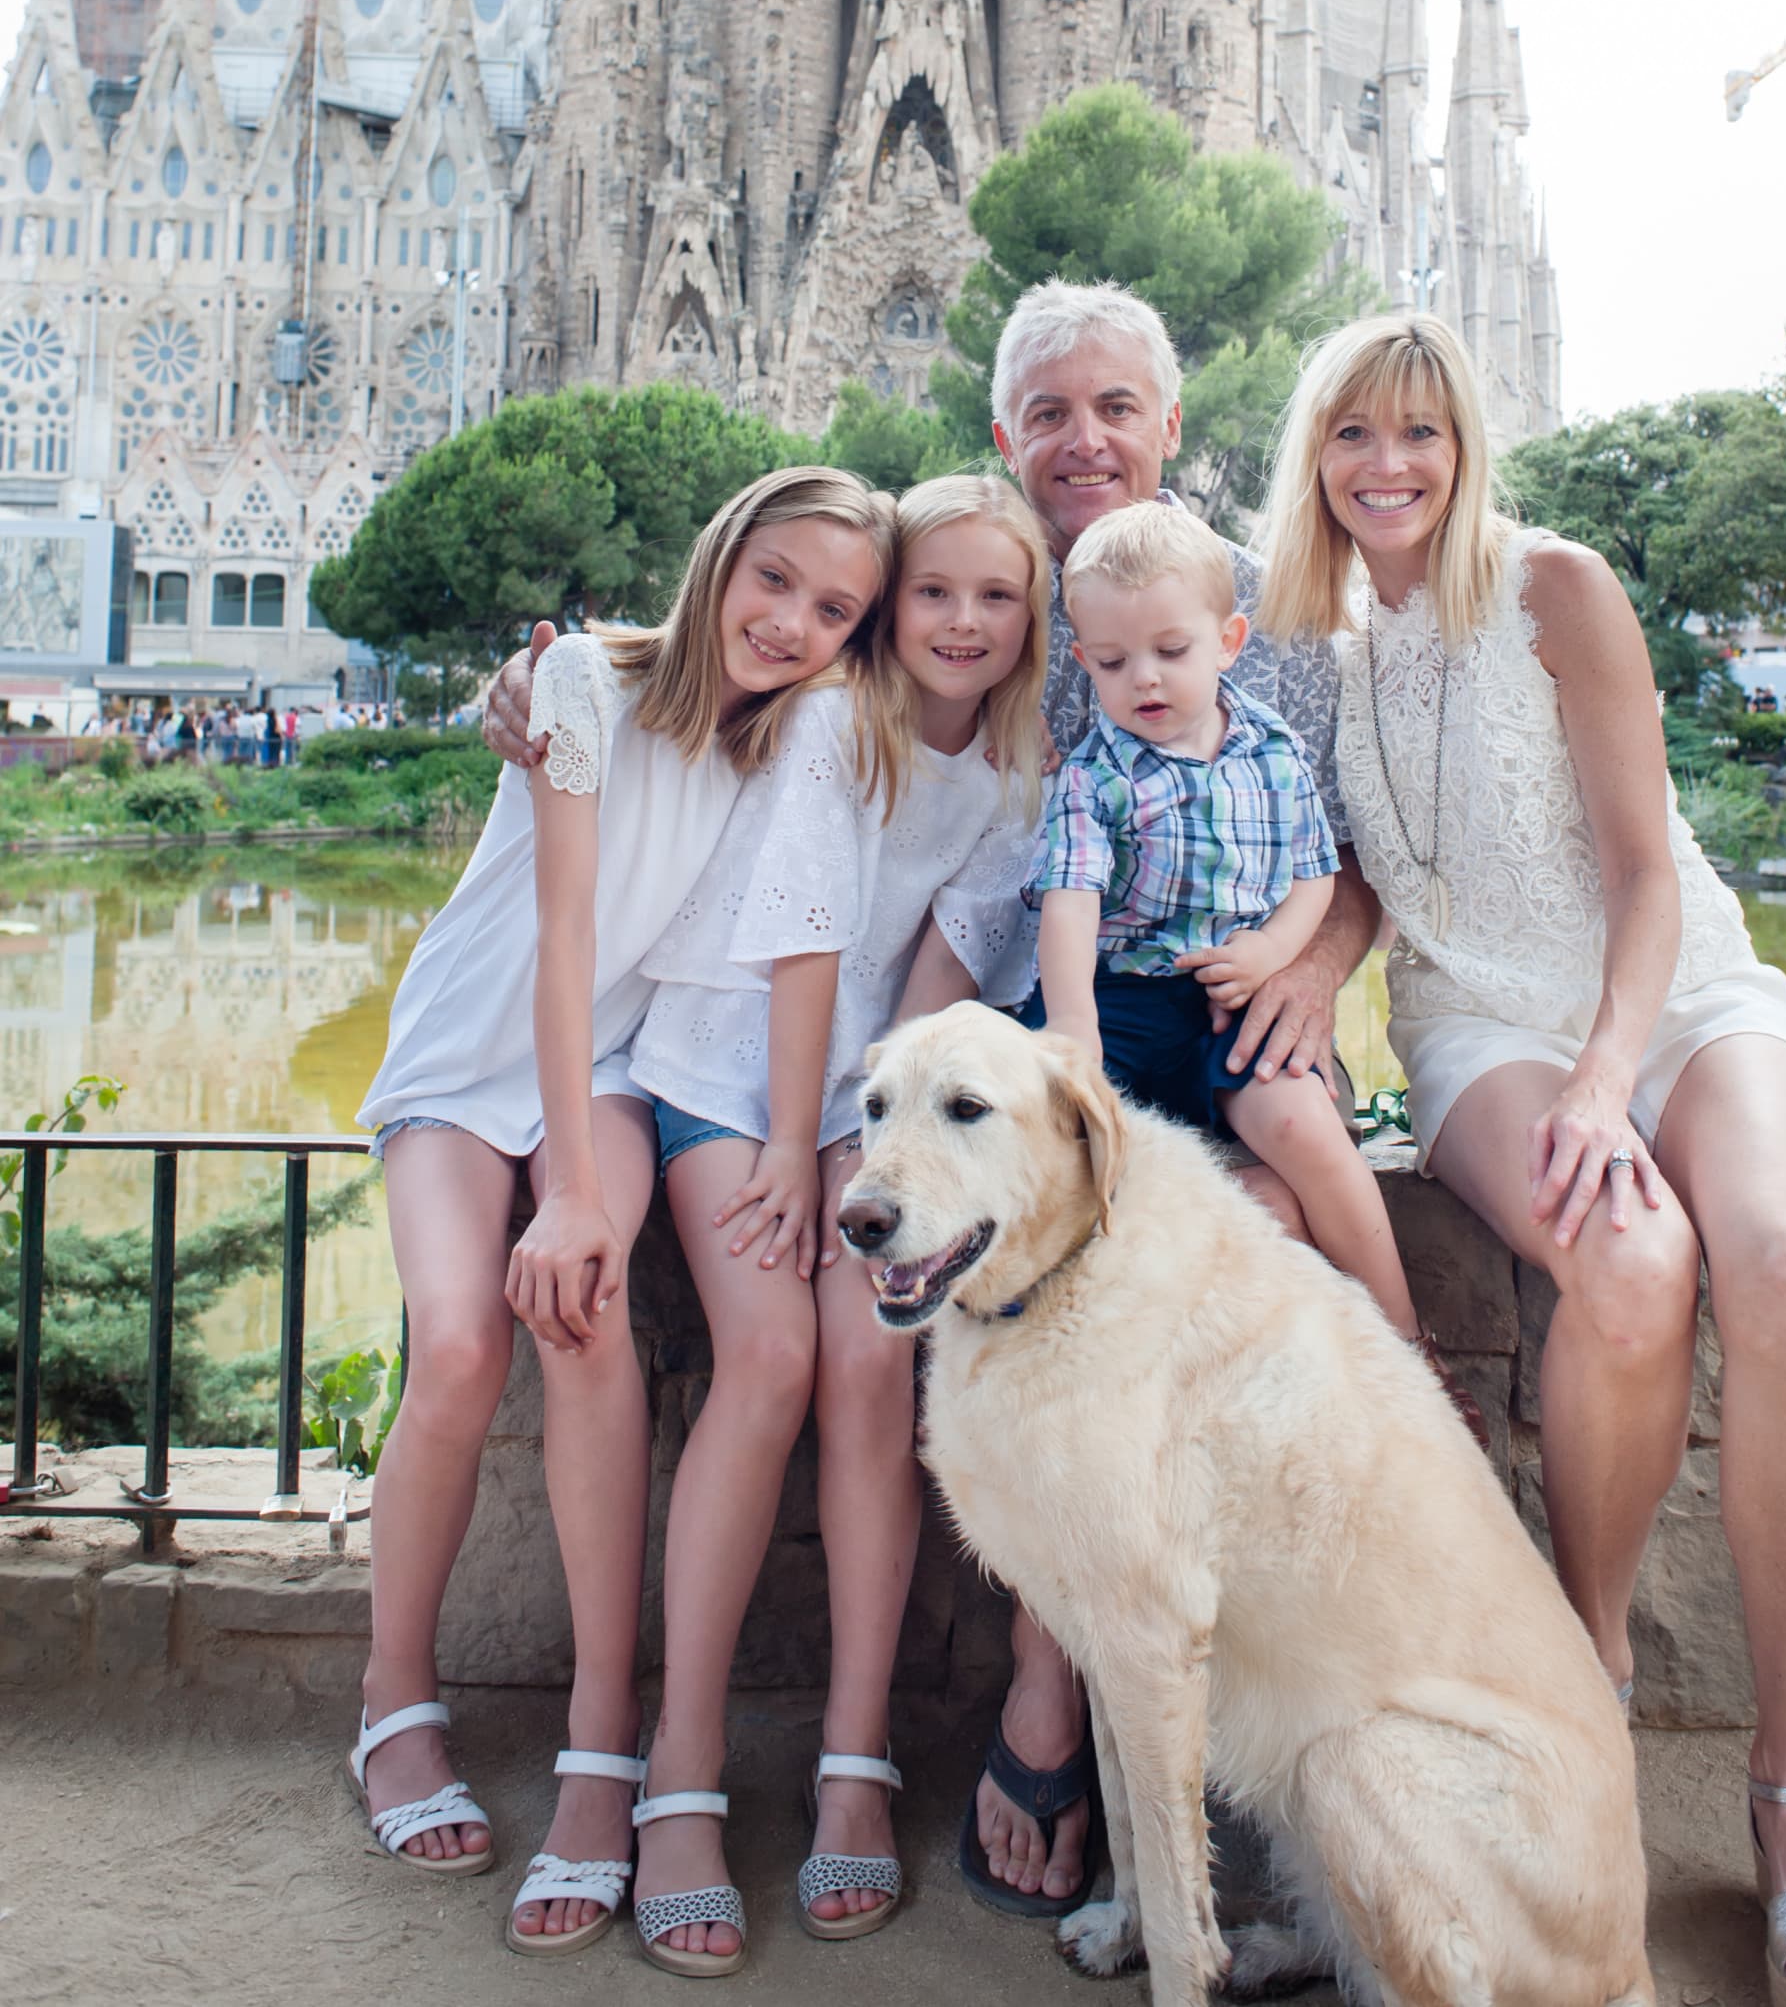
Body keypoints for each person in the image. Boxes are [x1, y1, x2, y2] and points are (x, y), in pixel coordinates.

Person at [481, 279, 1385, 1918]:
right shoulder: (865, 709)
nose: (1085, 438)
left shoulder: (1232, 631)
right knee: (787, 1358)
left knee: (922, 1351)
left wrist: (1307, 966)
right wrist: (554, 684)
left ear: (1173, 426)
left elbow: (1344, 852)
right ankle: (669, 1769)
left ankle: (913, 1751)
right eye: (1049, 410)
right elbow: (782, 827)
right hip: (757, 1086)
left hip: (945, 1095)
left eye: (1117, 406)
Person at [1257, 313, 1786, 2007]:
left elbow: (1644, 862)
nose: (1388, 467)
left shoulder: (1557, 589)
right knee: (1626, 1261)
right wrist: (1323, 963)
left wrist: (1618, 1073)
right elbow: (1376, 862)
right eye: (1354, 438)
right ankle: (1586, 1665)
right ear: (1312, 457)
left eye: (1422, 435)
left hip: (1670, 991)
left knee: (1774, 1260)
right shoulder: (1306, 641)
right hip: (1476, 1021)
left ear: (1466, 449)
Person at [353, 466, 894, 1958]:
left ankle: (605, 1755)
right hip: (481, 1049)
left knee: (587, 1329)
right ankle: (395, 1698)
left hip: (613, 1061)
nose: (791, 620)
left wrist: (588, 1190)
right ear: (721, 552)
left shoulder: (789, 740)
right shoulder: (584, 677)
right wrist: (573, 1194)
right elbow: (567, 928)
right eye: (774, 578)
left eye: (834, 607)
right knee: (463, 1345)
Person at [603, 475, 1048, 1971]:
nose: (964, 624)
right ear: (891, 606)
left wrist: (874, 1149)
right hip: (729, 1073)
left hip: (861, 1104)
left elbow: (941, 965)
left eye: (999, 598)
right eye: (934, 593)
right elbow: (799, 944)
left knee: (874, 1364)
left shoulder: (1017, 773)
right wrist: (799, 1150)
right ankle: (678, 1777)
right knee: (775, 1359)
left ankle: (855, 1760)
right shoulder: (830, 727)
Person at [1024, 500, 1424, 1352]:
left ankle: (1402, 1337)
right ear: (1082, 659)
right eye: (1112, 661)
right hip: (1120, 996)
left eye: (1172, 652)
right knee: (1052, 1136)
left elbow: (1316, 872)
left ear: (1229, 642)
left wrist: (1275, 952)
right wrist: (1072, 1030)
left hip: (1230, 987)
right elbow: (1070, 905)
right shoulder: (1092, 780)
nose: (1146, 681)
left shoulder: (1271, 751)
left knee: (1305, 1129)